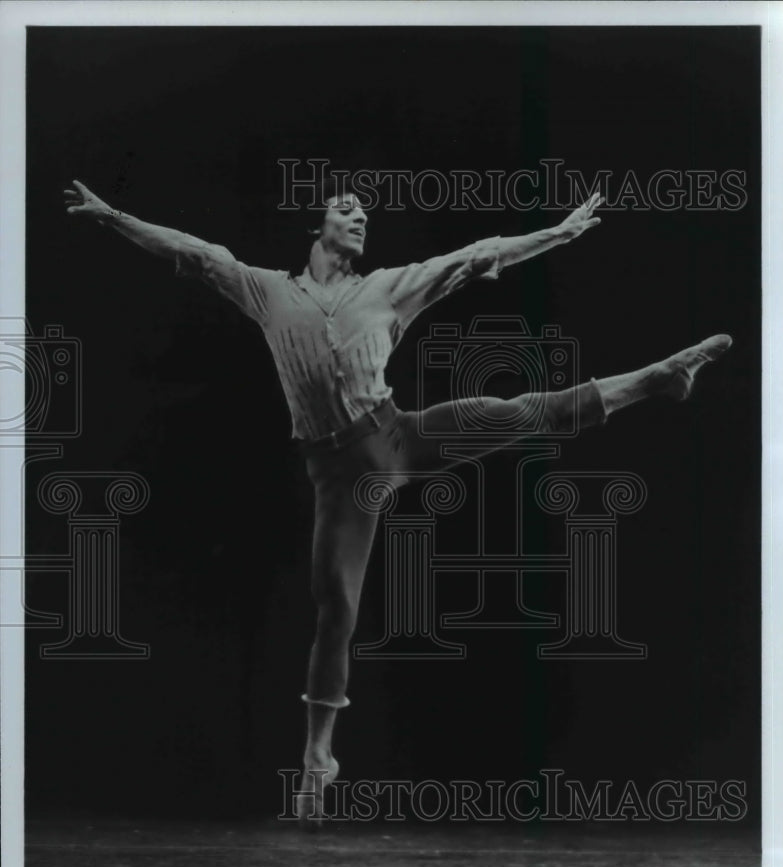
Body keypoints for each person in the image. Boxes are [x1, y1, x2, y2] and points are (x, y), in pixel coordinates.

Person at [64, 178, 732, 828]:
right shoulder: (269, 292)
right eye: (345, 207)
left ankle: (656, 378)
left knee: (515, 412)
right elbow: (197, 254)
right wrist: (111, 216)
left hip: (396, 435)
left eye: (364, 213)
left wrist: (557, 232)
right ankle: (317, 760)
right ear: (316, 226)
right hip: (339, 472)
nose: (357, 217)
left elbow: (478, 256)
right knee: (337, 605)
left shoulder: (390, 287)